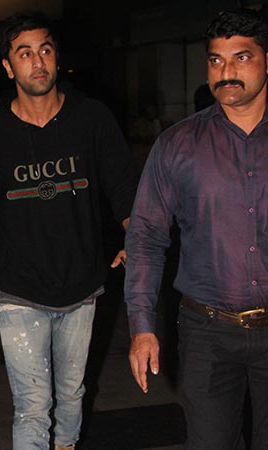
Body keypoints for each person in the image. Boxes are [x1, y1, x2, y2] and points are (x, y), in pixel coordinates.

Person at [0, 11, 137, 450]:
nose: (38, 62)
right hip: (19, 291)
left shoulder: (91, 118)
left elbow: (123, 186)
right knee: (32, 406)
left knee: (71, 395)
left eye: (45, 50)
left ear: (57, 57)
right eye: (25, 53)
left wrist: (134, 235)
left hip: (82, 285)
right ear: (8, 66)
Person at [125, 8, 268, 450]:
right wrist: (142, 326)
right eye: (216, 60)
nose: (226, 72)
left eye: (241, 58)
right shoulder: (177, 145)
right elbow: (146, 237)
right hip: (207, 332)